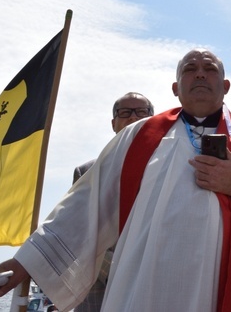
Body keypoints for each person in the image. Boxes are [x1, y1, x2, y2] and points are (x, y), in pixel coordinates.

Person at [0, 48, 231, 311]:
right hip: (149, 288)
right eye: (189, 69)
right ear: (175, 88)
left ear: (225, 86)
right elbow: (86, 203)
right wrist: (28, 261)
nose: (199, 74)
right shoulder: (136, 138)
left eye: (209, 69)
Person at [71, 92, 153, 312]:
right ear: (113, 123)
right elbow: (80, 231)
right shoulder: (88, 172)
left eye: (141, 112)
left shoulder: (168, 169)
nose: (133, 118)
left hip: (152, 285)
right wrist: (118, 271)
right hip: (99, 290)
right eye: (125, 112)